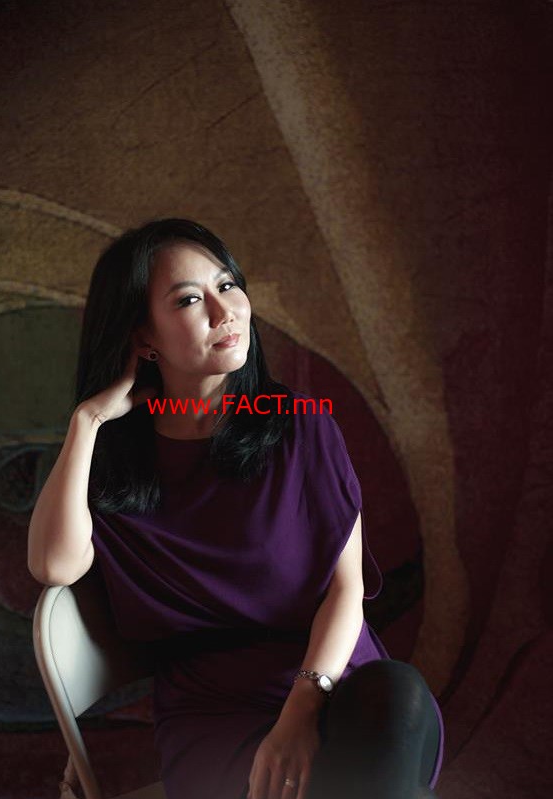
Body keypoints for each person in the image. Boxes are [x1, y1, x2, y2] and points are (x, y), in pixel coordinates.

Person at [28, 218, 444, 799]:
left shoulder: (299, 423)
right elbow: (53, 565)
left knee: (398, 697)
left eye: (227, 285)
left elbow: (345, 589)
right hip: (214, 717)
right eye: (189, 299)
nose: (225, 311)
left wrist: (302, 709)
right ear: (143, 337)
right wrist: (87, 421)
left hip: (334, 684)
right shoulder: (113, 459)